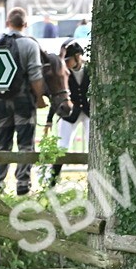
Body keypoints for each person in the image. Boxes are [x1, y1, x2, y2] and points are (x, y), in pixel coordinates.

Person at [0, 8, 47, 196]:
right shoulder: (30, 45)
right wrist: (39, 98)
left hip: (1, 102)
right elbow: (36, 76)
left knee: (2, 144)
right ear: (25, 24)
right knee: (25, 144)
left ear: (8, 22)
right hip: (23, 102)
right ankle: (23, 182)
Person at [46, 39, 91, 187]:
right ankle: (52, 182)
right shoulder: (65, 74)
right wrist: (49, 119)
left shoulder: (90, 69)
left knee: (93, 145)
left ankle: (93, 179)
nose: (66, 63)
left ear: (78, 56)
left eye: (68, 59)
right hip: (70, 113)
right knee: (62, 146)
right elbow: (58, 96)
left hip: (88, 112)